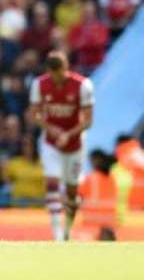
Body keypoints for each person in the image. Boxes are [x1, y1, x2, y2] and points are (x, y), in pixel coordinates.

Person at [28, 50, 94, 241]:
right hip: (51, 143)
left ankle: (67, 230)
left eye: (60, 73)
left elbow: (88, 121)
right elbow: (34, 114)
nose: (57, 78)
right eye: (53, 74)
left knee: (72, 192)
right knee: (52, 182)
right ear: (49, 71)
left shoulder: (83, 85)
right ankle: (57, 233)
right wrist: (51, 129)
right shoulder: (39, 85)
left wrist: (69, 134)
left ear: (66, 68)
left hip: (75, 144)